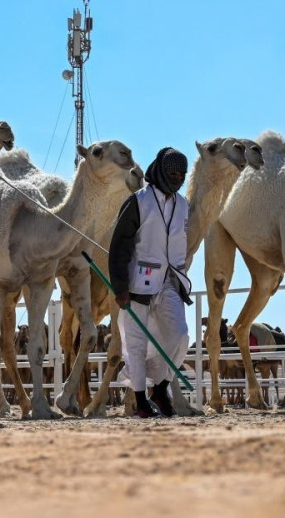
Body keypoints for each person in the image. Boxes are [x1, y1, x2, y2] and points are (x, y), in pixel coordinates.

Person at [109, 147, 192, 418]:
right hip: (137, 285)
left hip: (170, 282)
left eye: (182, 175)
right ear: (161, 172)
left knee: (181, 337)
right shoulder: (138, 202)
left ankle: (162, 386)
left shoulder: (182, 204)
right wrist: (120, 288)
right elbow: (119, 245)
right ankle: (141, 399)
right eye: (173, 173)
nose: (178, 179)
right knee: (136, 344)